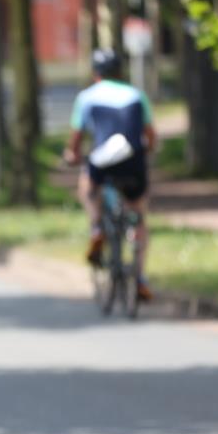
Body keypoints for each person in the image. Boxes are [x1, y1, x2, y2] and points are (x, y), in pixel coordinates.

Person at [64, 48, 157, 301]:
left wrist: (71, 155)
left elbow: (76, 137)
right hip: (133, 161)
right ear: (120, 71)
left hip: (102, 160)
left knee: (87, 187)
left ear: (95, 73)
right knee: (138, 212)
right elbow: (150, 135)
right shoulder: (137, 95)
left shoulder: (87, 97)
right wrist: (146, 151)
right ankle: (139, 277)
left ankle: (96, 227)